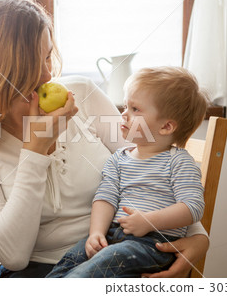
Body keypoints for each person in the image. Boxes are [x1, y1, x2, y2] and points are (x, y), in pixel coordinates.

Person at [0, 0, 210, 278]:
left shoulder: (83, 94)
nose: (47, 75)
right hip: (37, 271)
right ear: (0, 72)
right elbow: (14, 256)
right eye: (36, 62)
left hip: (120, 254)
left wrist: (198, 237)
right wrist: (35, 151)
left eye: (48, 57)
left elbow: (150, 166)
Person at [46, 67, 209, 278]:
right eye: (125, 106)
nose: (124, 114)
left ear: (166, 126)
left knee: (90, 272)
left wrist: (149, 221)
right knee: (69, 261)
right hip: (113, 234)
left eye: (135, 109)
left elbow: (193, 207)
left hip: (152, 244)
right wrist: (96, 232)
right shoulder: (119, 158)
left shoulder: (178, 161)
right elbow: (105, 198)